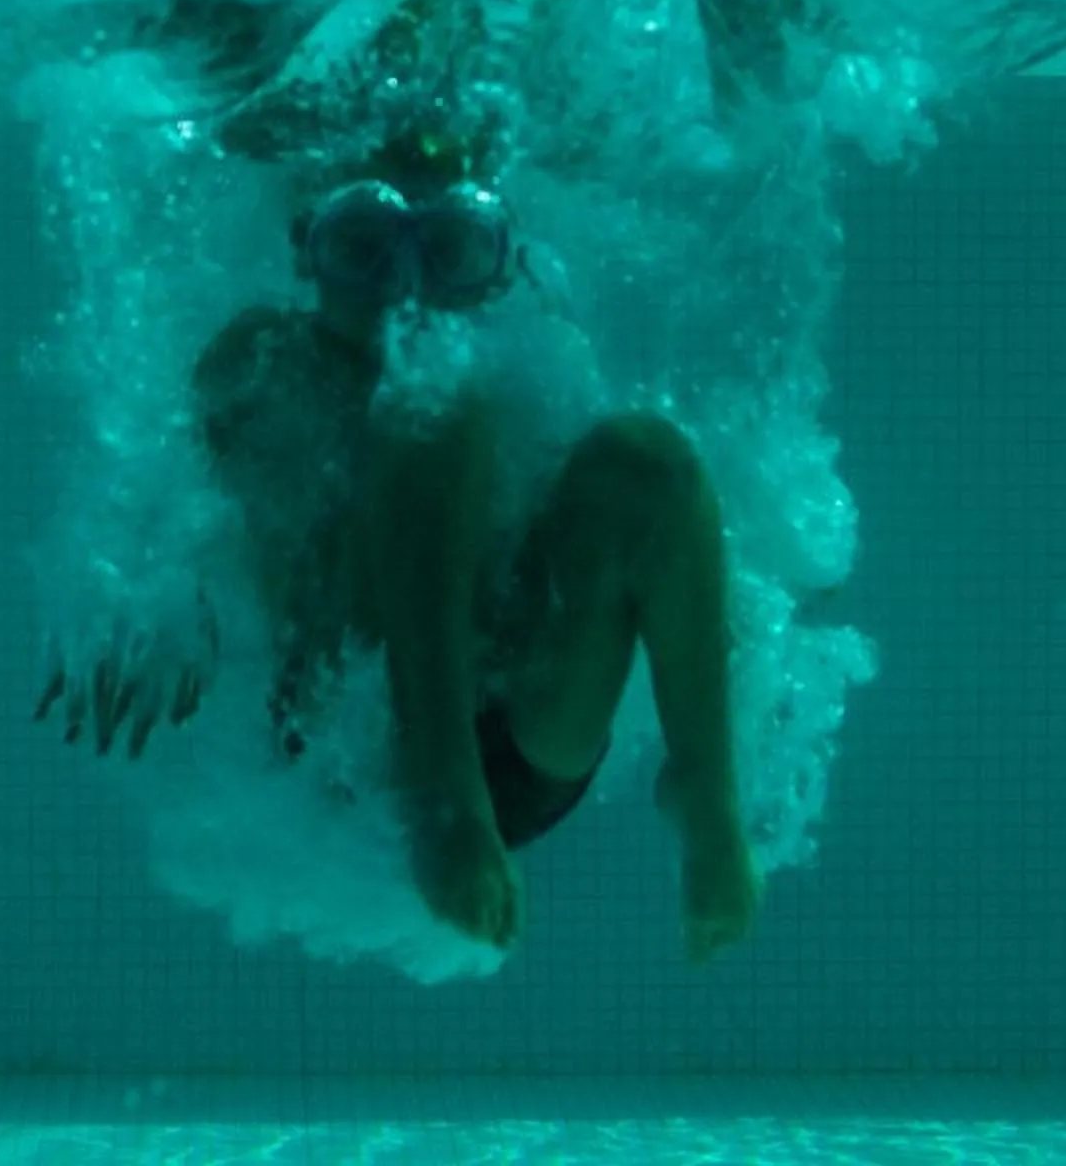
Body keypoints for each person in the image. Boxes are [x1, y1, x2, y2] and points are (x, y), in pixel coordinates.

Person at [38, 122, 764, 962]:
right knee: (432, 409)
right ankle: (444, 799)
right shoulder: (264, 360)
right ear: (307, 252)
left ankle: (705, 794)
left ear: (499, 271)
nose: (405, 286)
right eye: (363, 246)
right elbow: (173, 506)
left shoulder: (525, 355)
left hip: (526, 730)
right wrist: (145, 608)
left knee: (650, 459)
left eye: (449, 250)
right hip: (358, 736)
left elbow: (630, 539)